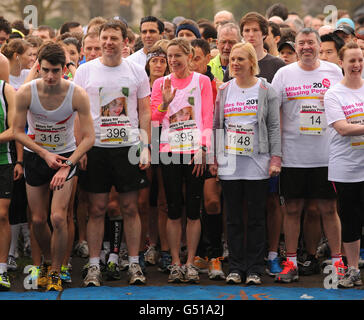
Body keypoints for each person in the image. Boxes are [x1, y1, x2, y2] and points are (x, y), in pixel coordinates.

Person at [74, 19, 151, 286]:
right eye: (104, 38)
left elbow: (144, 112)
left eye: (113, 38)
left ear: (125, 42)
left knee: (130, 207)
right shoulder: (85, 71)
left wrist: (145, 146)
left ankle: (134, 265)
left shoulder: (137, 71)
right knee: (96, 208)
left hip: (127, 148)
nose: (108, 43)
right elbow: (78, 112)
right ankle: (94, 265)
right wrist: (79, 148)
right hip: (95, 148)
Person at [13, 42, 95, 292]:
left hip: (66, 157)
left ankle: (58, 270)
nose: (50, 76)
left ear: (64, 70)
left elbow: (90, 138)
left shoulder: (77, 94)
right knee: (38, 219)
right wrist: (43, 153)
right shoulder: (26, 92)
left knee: (58, 217)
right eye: (46, 70)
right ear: (38, 67)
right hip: (37, 157)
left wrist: (67, 164)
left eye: (56, 71)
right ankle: (49, 261)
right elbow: (17, 131)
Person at [272, 28, 344, 283]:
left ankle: (338, 262)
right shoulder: (283, 74)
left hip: (326, 154)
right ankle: (291, 262)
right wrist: (276, 152)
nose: (306, 47)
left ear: (317, 45)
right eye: (301, 43)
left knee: (328, 208)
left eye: (310, 43)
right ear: (296, 46)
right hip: (293, 155)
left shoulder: (333, 71)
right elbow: (275, 113)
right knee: (292, 209)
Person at [211, 42, 281, 285]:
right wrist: (214, 158)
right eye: (232, 59)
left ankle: (254, 268)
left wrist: (275, 158)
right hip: (230, 163)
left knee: (255, 218)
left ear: (252, 63)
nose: (235, 63)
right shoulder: (224, 90)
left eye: (241, 59)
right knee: (232, 218)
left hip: (258, 163)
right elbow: (217, 126)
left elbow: (273, 126)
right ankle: (236, 267)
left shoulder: (266, 89)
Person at [151, 37, 213, 283]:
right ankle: (175, 261)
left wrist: (203, 147)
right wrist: (165, 103)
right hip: (169, 150)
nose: (173, 61)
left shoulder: (202, 81)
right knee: (173, 208)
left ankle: (190, 263)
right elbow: (154, 119)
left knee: (194, 209)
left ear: (190, 57)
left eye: (178, 56)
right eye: (170, 57)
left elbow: (207, 115)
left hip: (194, 151)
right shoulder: (160, 83)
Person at [324, 41, 364, 288]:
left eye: (360, 60)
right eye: (352, 60)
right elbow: (342, 128)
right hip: (346, 168)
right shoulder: (333, 94)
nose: (357, 65)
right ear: (341, 63)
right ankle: (352, 270)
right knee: (351, 220)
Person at [190, 38, 224, 280]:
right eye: (187, 57)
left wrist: (216, 155)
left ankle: (216, 256)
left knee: (212, 202)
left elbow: (221, 123)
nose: (191, 63)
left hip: (211, 150)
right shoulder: (175, 85)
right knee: (191, 205)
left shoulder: (218, 87)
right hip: (182, 152)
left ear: (206, 60)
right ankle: (198, 254)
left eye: (196, 58)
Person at [0, 80, 16, 290]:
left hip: (3, 160)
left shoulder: (6, 89)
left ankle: (2, 268)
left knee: (2, 214)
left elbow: (14, 129)